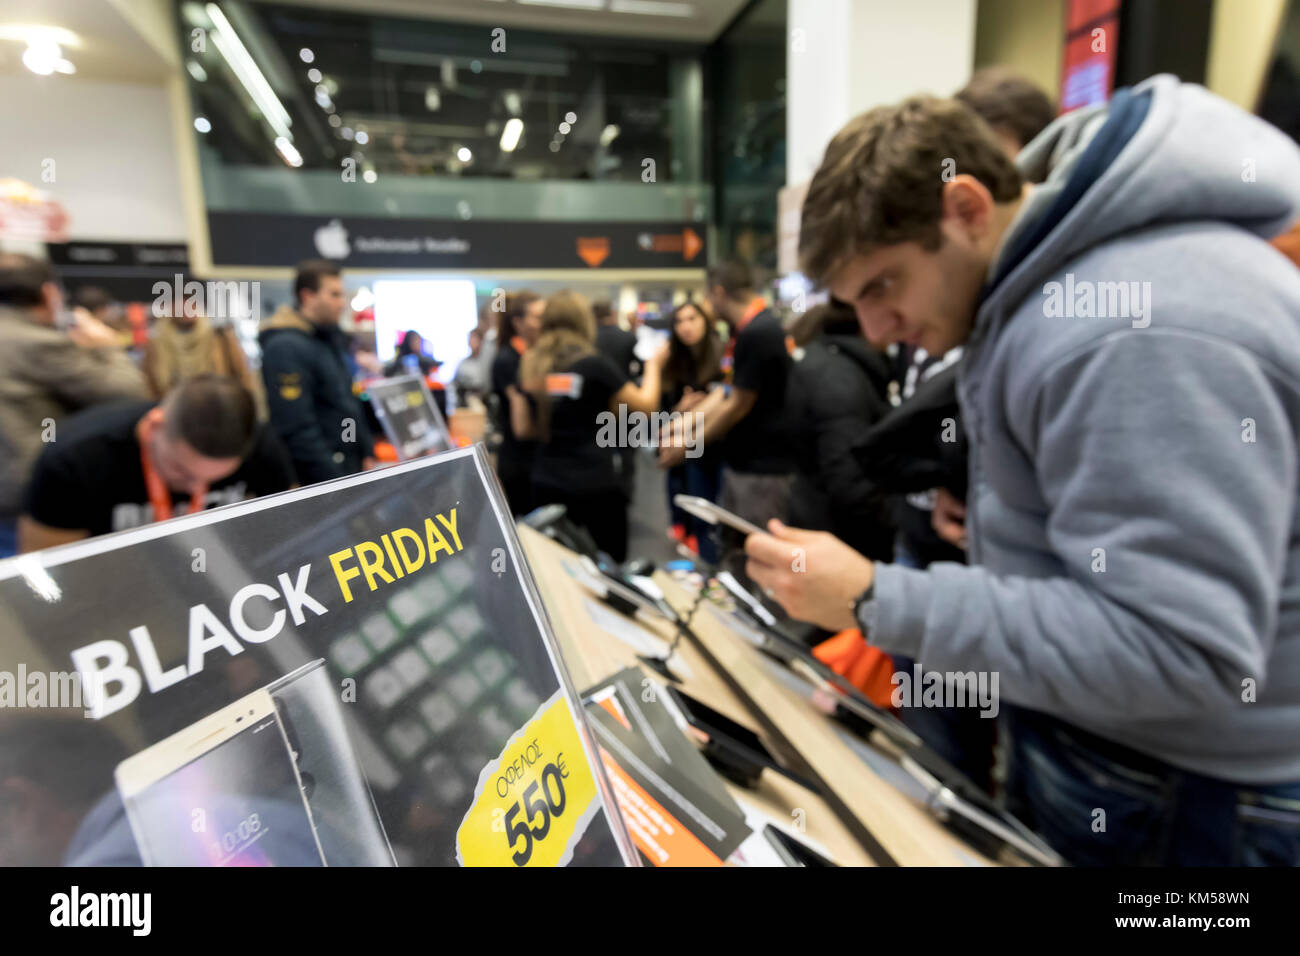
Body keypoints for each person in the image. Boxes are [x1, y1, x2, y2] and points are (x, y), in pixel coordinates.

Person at [744, 79, 1300, 865]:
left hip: (1183, 799)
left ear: (966, 209)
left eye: (883, 285)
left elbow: (1179, 650)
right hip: (1136, 768)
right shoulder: (1062, 291)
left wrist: (878, 598)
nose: (875, 328)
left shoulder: (1134, 325)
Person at [20, 374, 294, 550]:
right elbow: (51, 567)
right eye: (182, 472)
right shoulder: (76, 459)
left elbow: (290, 524)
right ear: (154, 427)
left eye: (215, 478)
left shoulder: (261, 445)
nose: (195, 488)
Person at [0, 253, 147, 557]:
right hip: (30, 505)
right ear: (49, 293)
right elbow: (132, 394)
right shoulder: (37, 343)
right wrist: (109, 347)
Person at [509, 291, 666, 561]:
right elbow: (646, 406)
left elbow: (524, 428)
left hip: (547, 479)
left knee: (552, 567)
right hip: (595, 482)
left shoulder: (530, 365)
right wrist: (655, 365)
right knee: (610, 567)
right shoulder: (593, 365)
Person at [659, 260, 797, 533]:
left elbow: (737, 404)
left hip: (762, 467)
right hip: (744, 463)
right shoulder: (746, 330)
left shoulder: (759, 331)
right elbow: (726, 390)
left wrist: (687, 442)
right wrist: (681, 425)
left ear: (718, 293)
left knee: (757, 548)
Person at [784, 300, 894, 563]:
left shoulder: (829, 363)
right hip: (840, 538)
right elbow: (848, 481)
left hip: (818, 518)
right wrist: (903, 518)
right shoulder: (839, 380)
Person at [260, 260, 375, 485]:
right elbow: (296, 427)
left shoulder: (329, 340)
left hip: (348, 466)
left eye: (342, 295)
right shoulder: (285, 346)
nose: (341, 303)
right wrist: (335, 480)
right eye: (334, 295)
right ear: (307, 296)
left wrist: (363, 451)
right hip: (321, 478)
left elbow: (347, 406)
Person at [660, 299, 725, 560]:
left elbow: (731, 399)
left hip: (718, 443)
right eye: (679, 321)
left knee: (716, 509)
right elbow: (662, 414)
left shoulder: (723, 355)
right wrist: (681, 408)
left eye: (691, 319)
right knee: (693, 501)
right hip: (688, 446)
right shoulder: (673, 362)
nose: (685, 327)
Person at [490, 291, 544, 516]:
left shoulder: (531, 356)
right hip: (521, 464)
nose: (544, 323)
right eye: (537, 317)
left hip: (533, 461)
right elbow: (522, 428)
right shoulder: (509, 359)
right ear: (518, 323)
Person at [142, 300, 260, 402]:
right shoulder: (157, 344)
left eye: (191, 302)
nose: (186, 307)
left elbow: (241, 375)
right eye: (180, 302)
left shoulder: (219, 337)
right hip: (175, 411)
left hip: (218, 407)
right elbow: (152, 384)